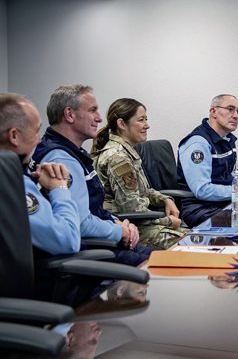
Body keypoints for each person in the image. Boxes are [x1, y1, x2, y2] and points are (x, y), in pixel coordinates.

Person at [32, 85, 151, 266]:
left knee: (169, 258)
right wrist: (120, 231)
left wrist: (118, 222)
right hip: (92, 251)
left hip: (105, 243)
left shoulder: (74, 153)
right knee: (164, 264)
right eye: (92, 110)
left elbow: (94, 208)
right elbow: (81, 223)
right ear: (70, 115)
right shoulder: (61, 159)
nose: (100, 118)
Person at [92, 98, 187, 249]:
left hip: (142, 224)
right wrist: (168, 221)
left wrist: (165, 200)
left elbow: (144, 191)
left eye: (146, 119)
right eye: (141, 120)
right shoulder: (118, 158)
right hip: (132, 229)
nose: (147, 125)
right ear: (122, 124)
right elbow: (132, 210)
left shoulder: (126, 152)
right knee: (189, 243)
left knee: (195, 239)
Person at [0, 93, 80, 256]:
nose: (39, 140)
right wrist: (59, 188)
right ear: (14, 136)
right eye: (36, 131)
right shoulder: (14, 184)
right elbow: (68, 240)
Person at [177, 94, 238, 227]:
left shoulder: (227, 140)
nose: (236, 116)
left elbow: (227, 177)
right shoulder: (198, 144)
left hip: (222, 204)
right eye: (230, 109)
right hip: (199, 208)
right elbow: (202, 190)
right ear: (214, 112)